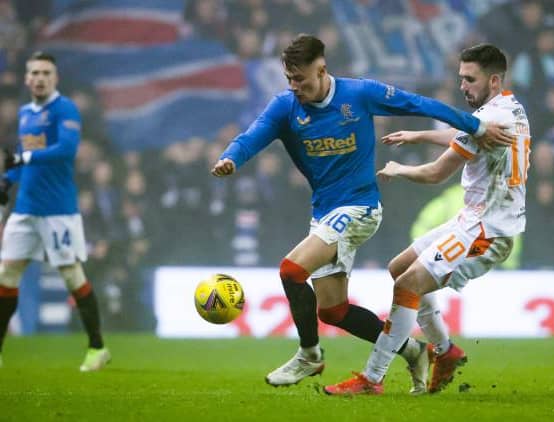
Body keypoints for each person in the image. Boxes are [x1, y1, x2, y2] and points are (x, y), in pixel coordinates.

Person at [212, 35, 512, 391]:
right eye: (289, 79)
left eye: (301, 79)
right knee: (332, 311)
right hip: (324, 213)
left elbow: (419, 104)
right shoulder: (284, 107)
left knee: (291, 270)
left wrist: (474, 125)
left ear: (321, 70)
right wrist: (231, 156)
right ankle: (413, 350)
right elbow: (251, 137)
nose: (295, 87)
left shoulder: (359, 94)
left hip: (360, 207)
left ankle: (309, 355)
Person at [324, 43, 530, 395]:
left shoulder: (492, 118)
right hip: (471, 219)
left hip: (488, 231)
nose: (463, 85)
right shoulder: (508, 109)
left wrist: (398, 169)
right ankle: (445, 351)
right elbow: (467, 135)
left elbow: (436, 174)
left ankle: (372, 379)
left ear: (494, 81)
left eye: (470, 79)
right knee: (398, 268)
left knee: (407, 285)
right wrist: (419, 134)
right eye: (461, 78)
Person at [0, 52, 110, 371]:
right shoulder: (25, 113)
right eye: (34, 72)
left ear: (55, 78)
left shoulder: (65, 109)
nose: (39, 78)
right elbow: (24, 155)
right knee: (7, 275)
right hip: (25, 209)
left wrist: (23, 161)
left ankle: (97, 347)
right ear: (26, 78)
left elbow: (66, 150)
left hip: (58, 210)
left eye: (46, 73)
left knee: (71, 275)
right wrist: (8, 180)